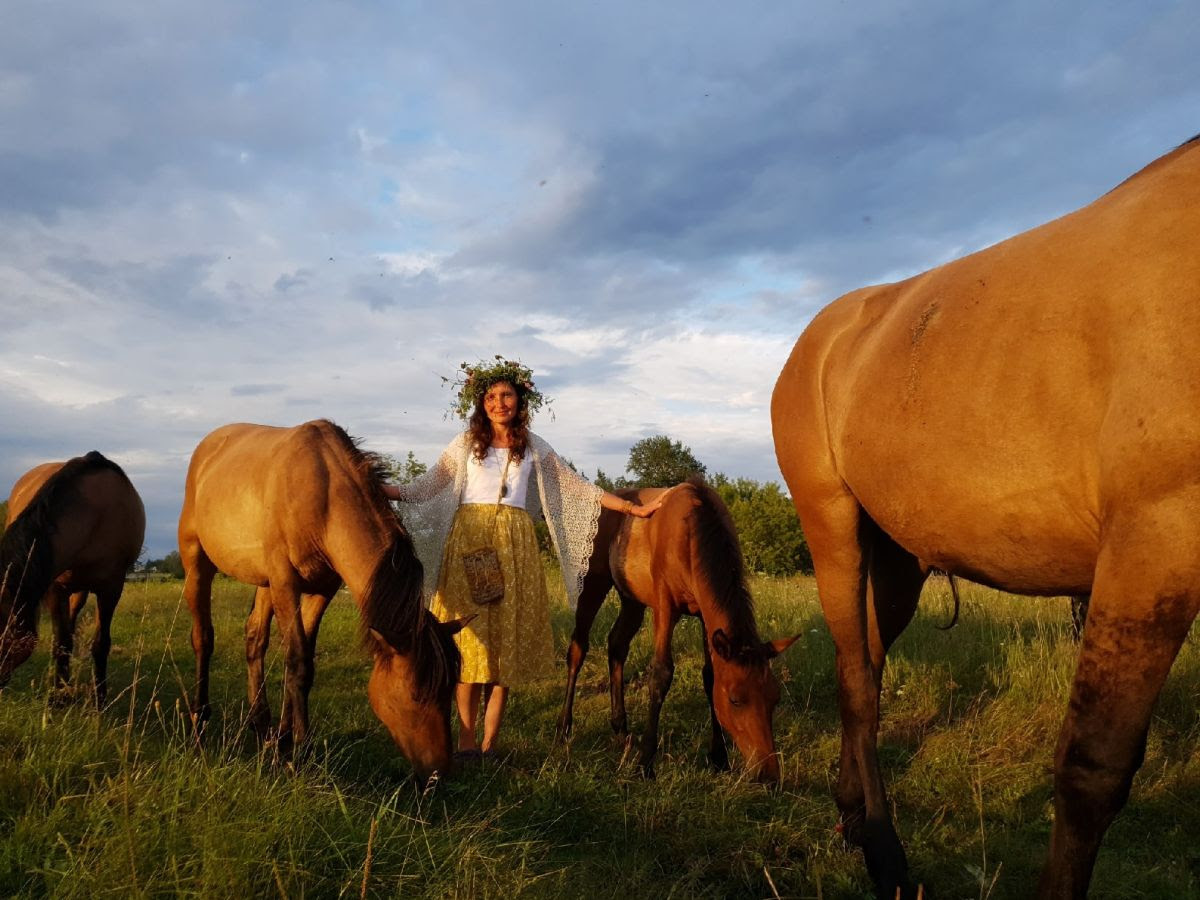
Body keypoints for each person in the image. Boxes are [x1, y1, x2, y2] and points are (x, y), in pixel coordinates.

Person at [382, 358, 662, 761]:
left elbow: (577, 486)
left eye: (507, 395)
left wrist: (631, 509)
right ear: (481, 402)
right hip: (469, 544)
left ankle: (491, 745)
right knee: (469, 646)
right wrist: (383, 490)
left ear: (520, 399)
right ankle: (465, 743)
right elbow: (428, 486)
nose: (499, 403)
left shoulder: (533, 446)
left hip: (515, 547)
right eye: (492, 396)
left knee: (503, 650)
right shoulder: (464, 444)